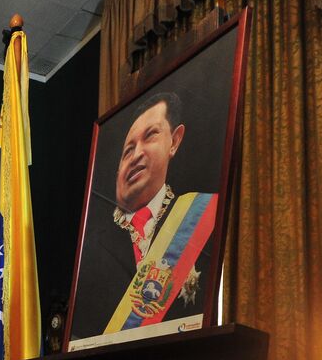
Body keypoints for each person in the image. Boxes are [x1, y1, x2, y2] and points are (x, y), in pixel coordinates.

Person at [69, 92, 219, 344]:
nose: (136, 154)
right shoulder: (91, 248)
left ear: (174, 141)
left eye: (150, 136)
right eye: (128, 151)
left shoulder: (198, 217)